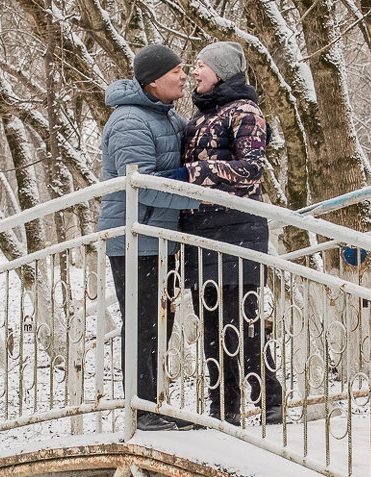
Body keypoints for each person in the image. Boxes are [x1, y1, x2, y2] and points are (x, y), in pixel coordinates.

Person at [161, 41, 283, 426]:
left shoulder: (245, 112)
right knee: (211, 325)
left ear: (222, 71)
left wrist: (192, 176)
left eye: (201, 65)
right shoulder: (198, 118)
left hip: (238, 231)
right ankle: (223, 409)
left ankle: (268, 396)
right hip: (199, 232)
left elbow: (251, 170)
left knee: (240, 321)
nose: (195, 71)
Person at [99, 43, 201, 432]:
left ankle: (154, 400)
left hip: (164, 236)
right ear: (153, 80)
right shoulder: (129, 121)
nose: (184, 76)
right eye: (176, 71)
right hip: (134, 236)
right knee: (143, 321)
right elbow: (136, 184)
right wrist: (194, 191)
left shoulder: (167, 117)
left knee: (164, 321)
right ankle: (141, 408)